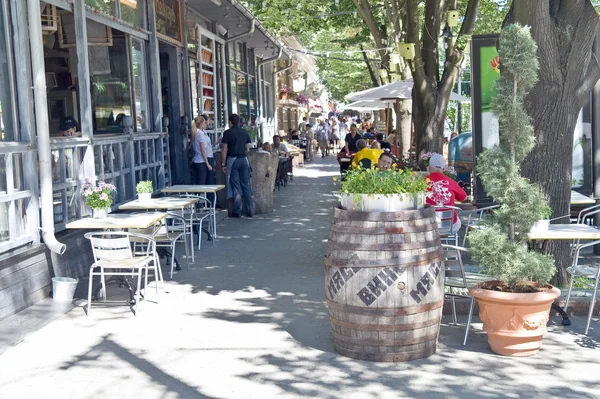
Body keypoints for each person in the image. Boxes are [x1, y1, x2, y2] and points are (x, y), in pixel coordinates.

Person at [221, 114, 254, 218]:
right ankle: (250, 209)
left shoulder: (227, 133)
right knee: (246, 184)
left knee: (236, 186)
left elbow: (224, 149)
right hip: (244, 159)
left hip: (233, 159)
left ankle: (237, 210)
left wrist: (223, 163)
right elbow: (248, 148)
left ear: (230, 122)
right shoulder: (244, 132)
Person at [425, 153, 467, 231]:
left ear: (429, 167)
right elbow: (464, 197)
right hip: (449, 226)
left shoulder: (421, 183)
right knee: (456, 219)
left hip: (428, 226)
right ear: (444, 168)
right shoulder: (451, 181)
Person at [191, 116, 214, 188]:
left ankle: (199, 197)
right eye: (204, 122)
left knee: (199, 182)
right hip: (201, 160)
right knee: (202, 183)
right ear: (201, 123)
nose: (205, 124)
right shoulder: (200, 134)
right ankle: (201, 197)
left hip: (197, 159)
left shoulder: (196, 132)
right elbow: (202, 150)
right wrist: (207, 163)